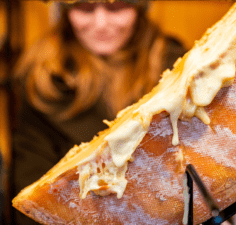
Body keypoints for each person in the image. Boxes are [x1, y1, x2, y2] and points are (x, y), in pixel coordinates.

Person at [11, 1, 186, 224]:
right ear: (64, 10)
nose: (101, 23)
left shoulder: (177, 70)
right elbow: (32, 200)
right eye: (84, 7)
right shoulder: (42, 78)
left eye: (116, 7)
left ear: (139, 8)